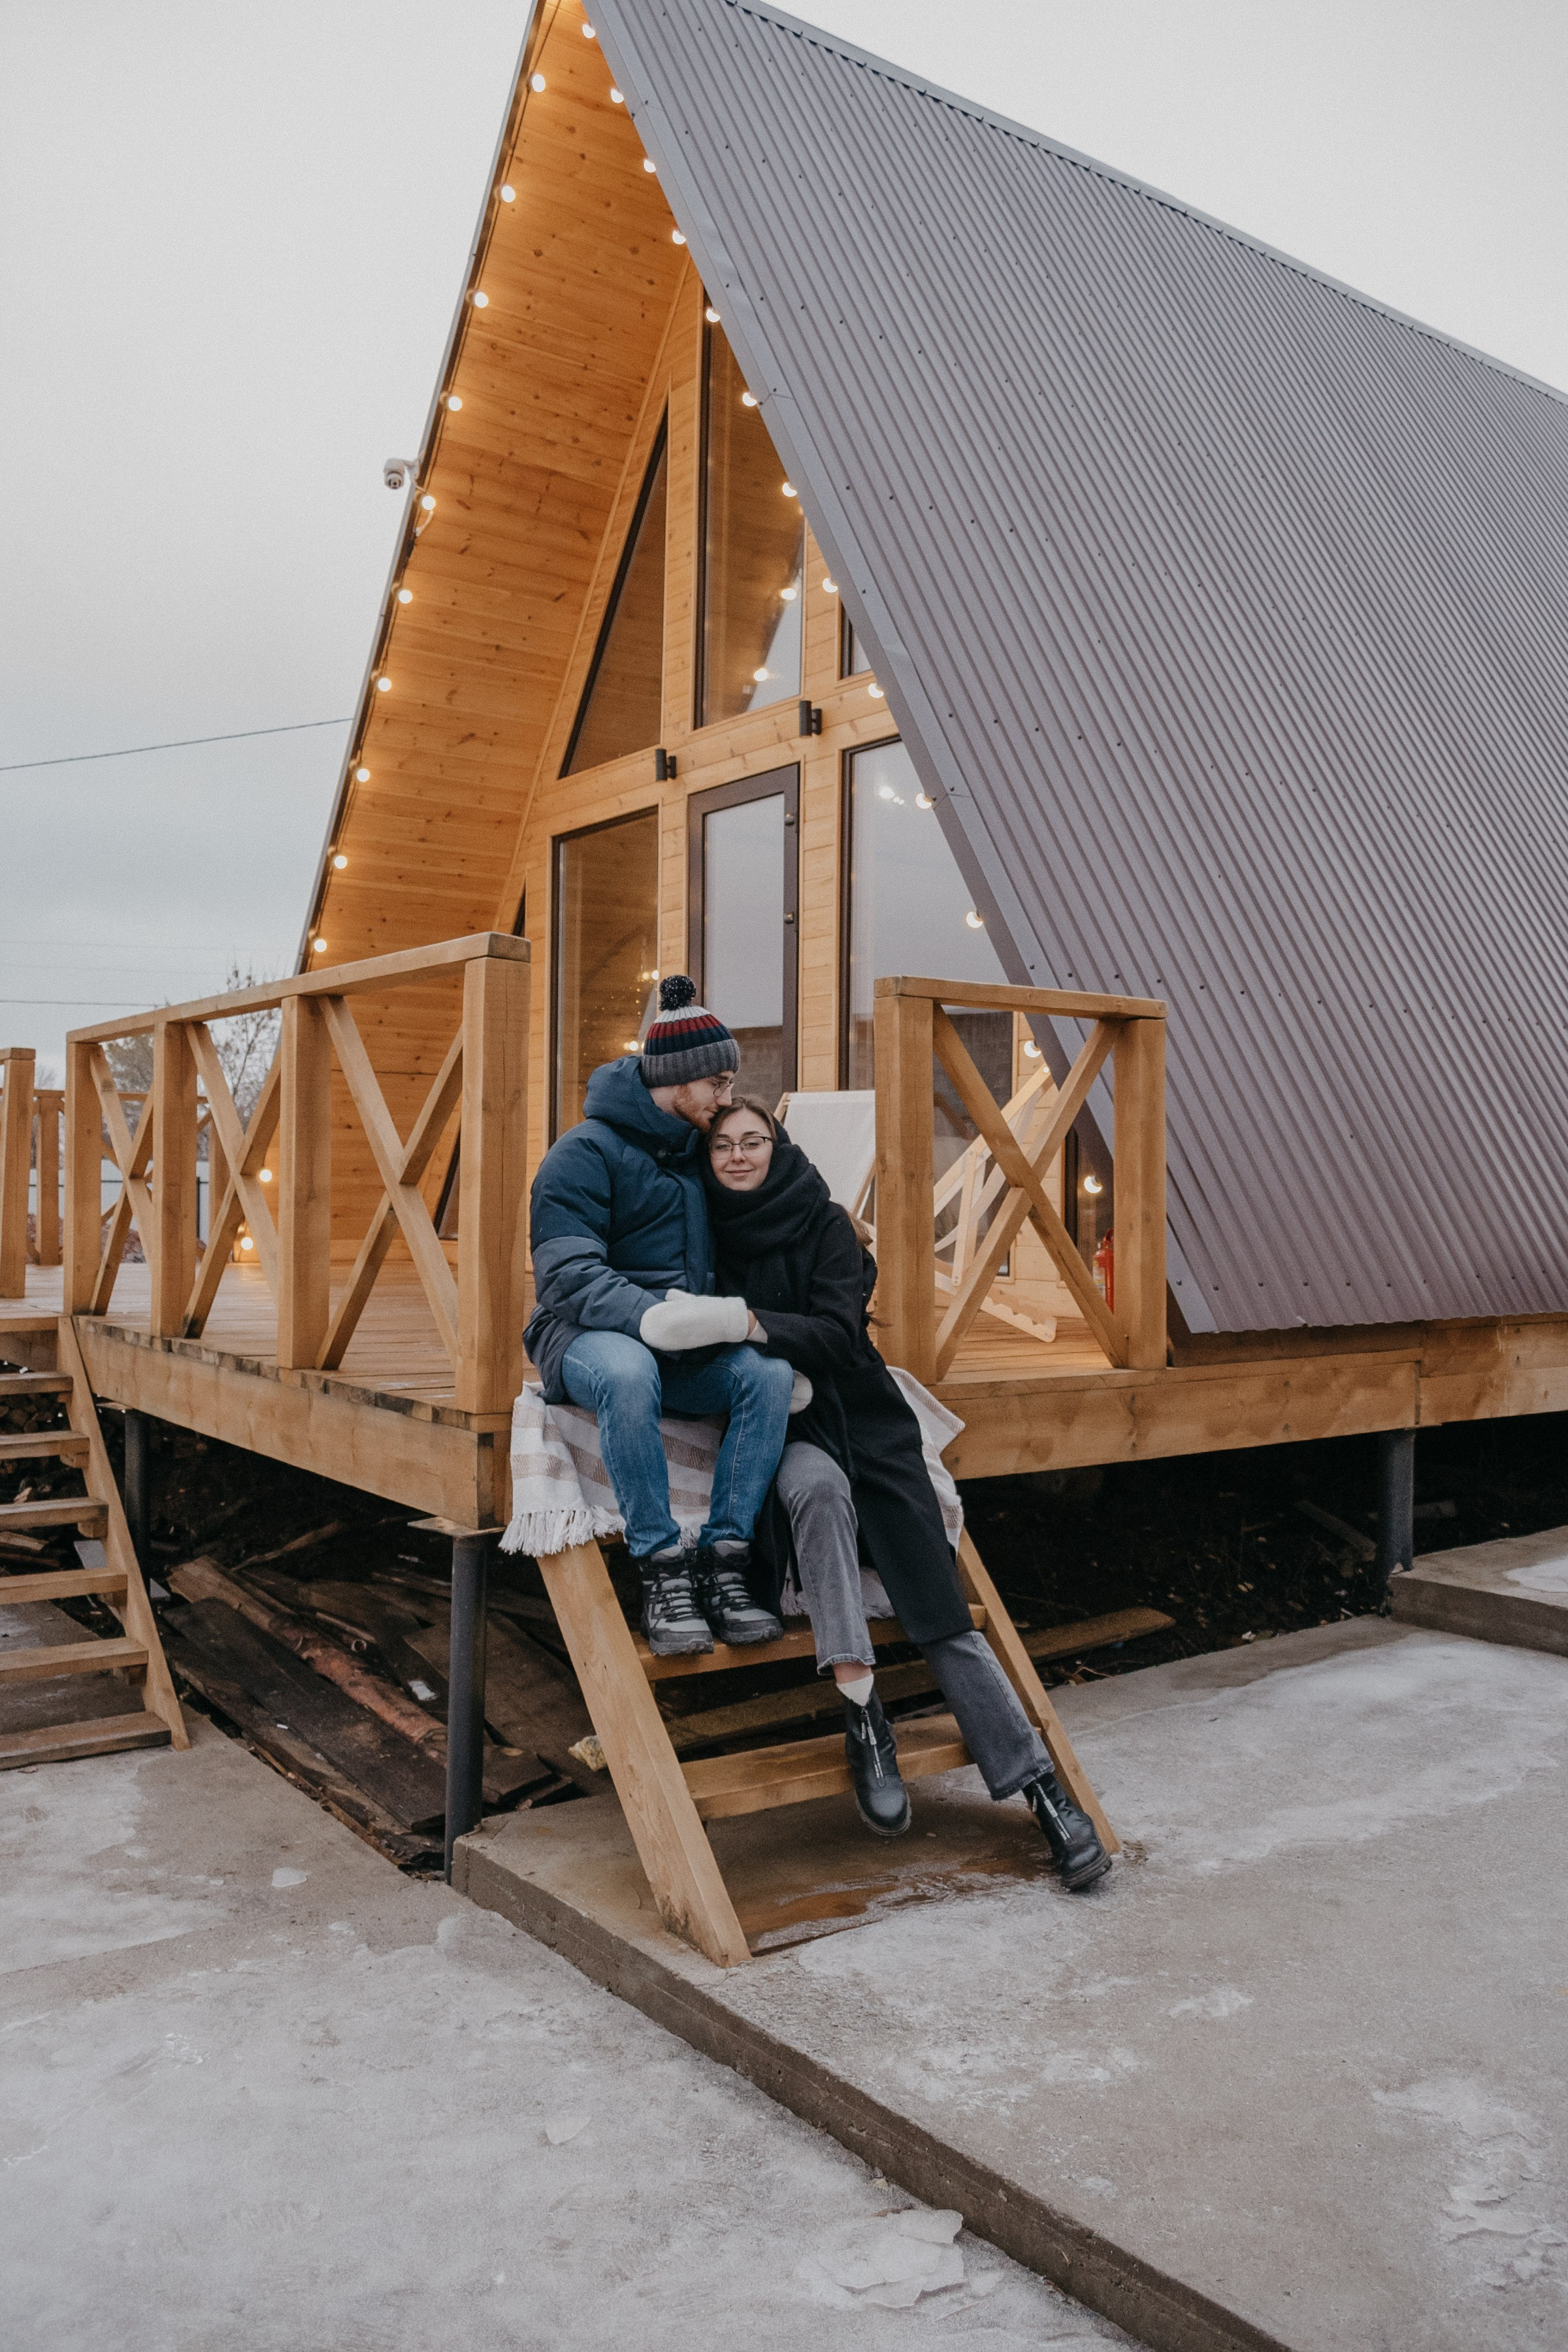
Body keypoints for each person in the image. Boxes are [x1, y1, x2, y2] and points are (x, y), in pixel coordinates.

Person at [702, 1097, 1111, 1890]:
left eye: (755, 1140)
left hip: (864, 1419)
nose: (741, 1156)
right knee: (815, 1495)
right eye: (725, 1146)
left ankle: (1043, 1790)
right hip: (786, 1433)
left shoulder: (822, 1223)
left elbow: (834, 1334)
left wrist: (744, 1321)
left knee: (937, 1604)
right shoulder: (704, 1229)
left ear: (777, 1147)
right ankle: (865, 1722)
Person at [525, 980, 795, 1658]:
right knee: (628, 1370)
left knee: (766, 1377)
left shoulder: (699, 1151)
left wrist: (837, 1231)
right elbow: (564, 1275)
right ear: (676, 1077)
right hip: (585, 1338)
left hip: (683, 1343)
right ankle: (661, 1568)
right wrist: (655, 1320)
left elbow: (778, 1200)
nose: (726, 1098)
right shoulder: (582, 1153)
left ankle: (726, 1563)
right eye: (718, 1082)